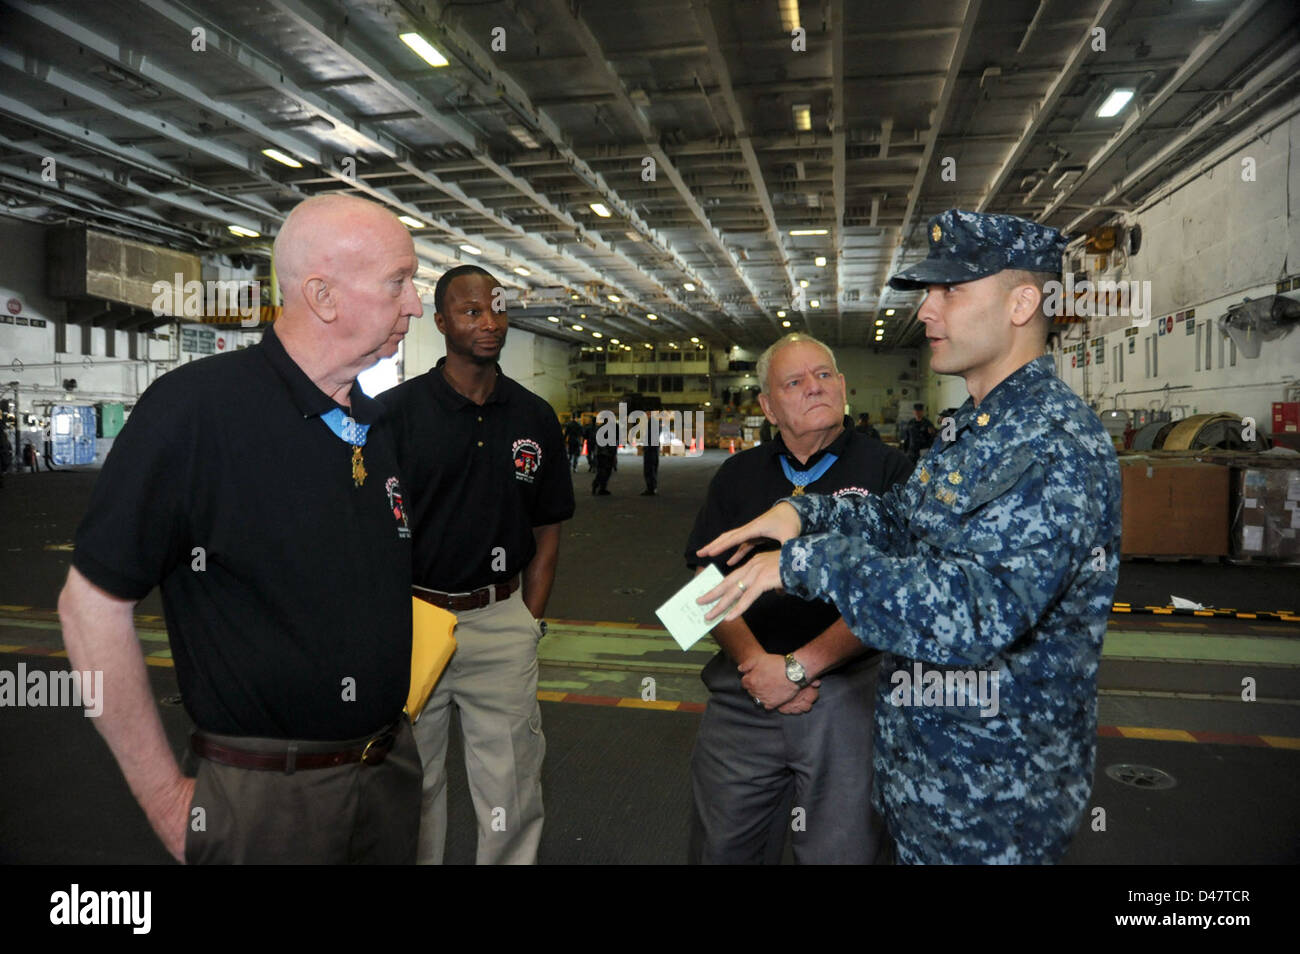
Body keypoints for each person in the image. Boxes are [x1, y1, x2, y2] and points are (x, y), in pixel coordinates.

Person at [697, 209, 1122, 864]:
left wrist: (805, 561)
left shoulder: (1050, 442)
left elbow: (976, 611)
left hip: (993, 806)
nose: (927, 311)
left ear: (1022, 303)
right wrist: (802, 515)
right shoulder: (977, 430)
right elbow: (901, 521)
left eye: (949, 290)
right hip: (931, 788)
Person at [58, 194, 424, 863]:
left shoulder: (376, 425)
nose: (416, 304)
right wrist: (168, 799)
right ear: (323, 295)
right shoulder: (196, 412)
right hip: (266, 803)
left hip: (388, 778)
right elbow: (89, 609)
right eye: (399, 282)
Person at [686, 333, 913, 864]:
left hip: (847, 694)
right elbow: (701, 580)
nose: (814, 388)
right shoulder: (737, 475)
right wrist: (756, 666)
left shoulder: (890, 473)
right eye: (794, 382)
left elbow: (894, 593)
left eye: (824, 375)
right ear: (767, 406)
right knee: (721, 848)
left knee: (844, 851)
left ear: (843, 387)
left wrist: (798, 668)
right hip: (743, 690)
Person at [379, 264, 575, 865]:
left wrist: (527, 622)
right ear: (439, 322)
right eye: (471, 311)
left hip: (501, 621)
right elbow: (369, 533)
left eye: (497, 308)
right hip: (415, 622)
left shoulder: (535, 417)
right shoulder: (394, 415)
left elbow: (547, 532)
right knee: (416, 783)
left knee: (511, 787)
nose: (490, 322)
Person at [592, 426, 617, 495]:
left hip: (604, 454)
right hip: (604, 455)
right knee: (603, 472)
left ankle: (601, 487)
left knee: (605, 472)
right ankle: (598, 486)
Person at [641, 411, 660, 496]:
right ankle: (653, 487)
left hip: (650, 450)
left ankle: (650, 488)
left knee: (649, 469)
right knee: (653, 468)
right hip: (654, 449)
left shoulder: (651, 422)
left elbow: (649, 436)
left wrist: (645, 447)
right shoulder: (656, 422)